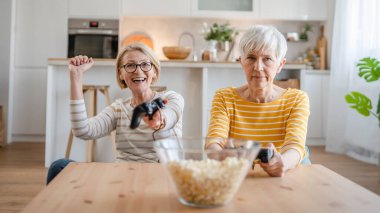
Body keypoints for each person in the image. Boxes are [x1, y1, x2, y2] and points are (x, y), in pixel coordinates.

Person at [47, 43, 184, 184]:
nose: (138, 71)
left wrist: (160, 120)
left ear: (154, 71)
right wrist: (76, 77)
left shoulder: (171, 98)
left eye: (145, 64)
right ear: (121, 73)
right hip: (122, 177)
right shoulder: (118, 109)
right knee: (59, 167)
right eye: (130, 65)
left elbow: (171, 114)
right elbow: (82, 130)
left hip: (160, 178)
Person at [205, 25, 310, 177]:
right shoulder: (224, 97)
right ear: (241, 62)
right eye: (251, 58)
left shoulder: (297, 99)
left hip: (285, 173)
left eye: (267, 59)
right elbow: (213, 143)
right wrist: (221, 156)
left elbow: (295, 146)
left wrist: (283, 164)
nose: (258, 67)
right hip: (239, 175)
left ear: (280, 65)